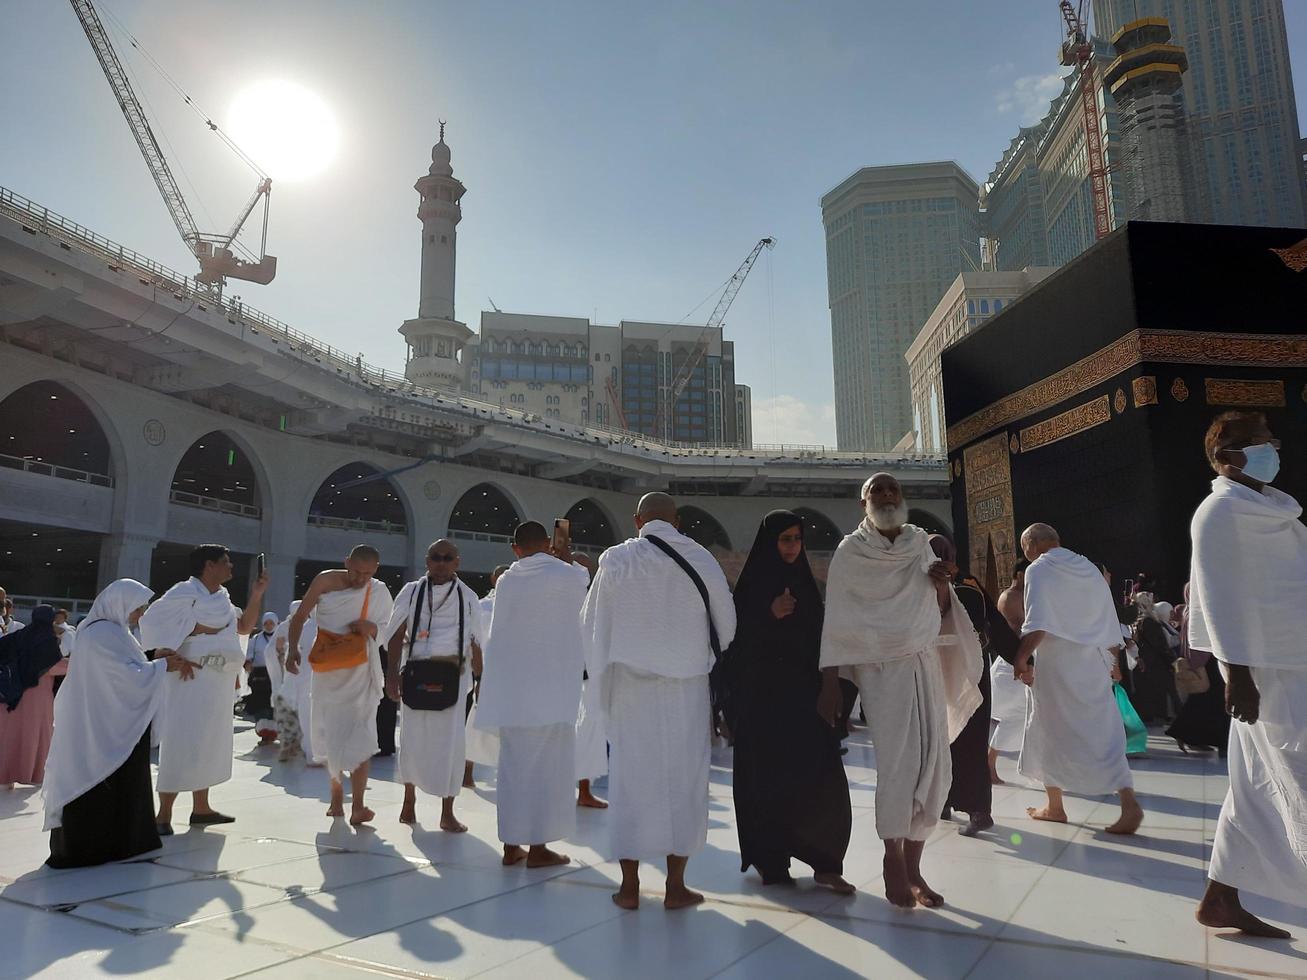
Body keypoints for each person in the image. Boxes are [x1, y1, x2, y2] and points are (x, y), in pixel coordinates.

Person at [817, 473, 981, 909]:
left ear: (902, 499)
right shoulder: (851, 552)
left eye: (893, 491)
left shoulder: (918, 544)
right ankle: (892, 859)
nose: (887, 497)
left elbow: (941, 607)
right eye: (877, 492)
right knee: (897, 767)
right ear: (863, 502)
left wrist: (942, 581)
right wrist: (831, 683)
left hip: (923, 661)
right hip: (881, 669)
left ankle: (915, 865)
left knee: (935, 765)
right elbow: (838, 618)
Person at [580, 492, 737, 910]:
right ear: (677, 521)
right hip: (686, 688)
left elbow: (592, 627)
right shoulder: (701, 558)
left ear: (637, 521)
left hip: (631, 688)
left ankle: (629, 887)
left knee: (632, 783)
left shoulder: (615, 559)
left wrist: (599, 681)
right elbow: (728, 624)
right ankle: (675, 887)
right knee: (683, 784)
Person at [1189, 411, 1305, 939]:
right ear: (1227, 457)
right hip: (1265, 674)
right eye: (1259, 443)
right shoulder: (1217, 513)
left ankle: (1221, 898)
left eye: (1270, 440)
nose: (1270, 449)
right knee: (1296, 780)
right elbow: (1218, 598)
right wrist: (1237, 674)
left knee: (1253, 788)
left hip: (1295, 660)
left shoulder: (1275, 513)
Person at [727, 511, 853, 892]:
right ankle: (772, 860)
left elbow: (824, 641)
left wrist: (830, 689)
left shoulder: (808, 586)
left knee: (821, 778)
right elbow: (734, 648)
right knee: (767, 781)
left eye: (797, 539)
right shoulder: (750, 590)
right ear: (770, 542)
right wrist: (769, 615)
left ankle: (826, 862)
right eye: (785, 539)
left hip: (803, 700)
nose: (793, 546)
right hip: (762, 703)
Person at [44, 580, 198, 867]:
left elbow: (128, 664)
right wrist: (162, 666)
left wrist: (153, 657)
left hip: (116, 723)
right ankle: (99, 847)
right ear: (120, 604)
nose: (140, 615)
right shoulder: (103, 632)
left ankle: (124, 842)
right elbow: (124, 676)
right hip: (105, 725)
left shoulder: (113, 631)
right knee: (99, 782)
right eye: (138, 608)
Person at [1013, 524, 1143, 834]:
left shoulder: (1039, 569)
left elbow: (1039, 622)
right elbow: (1109, 618)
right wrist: (1114, 661)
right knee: (1104, 729)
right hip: (1094, 662)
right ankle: (1125, 802)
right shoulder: (1087, 566)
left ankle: (1056, 806)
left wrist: (1020, 657)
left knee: (1047, 727)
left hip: (1058, 664)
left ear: (1031, 545)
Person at [475, 521, 590, 867]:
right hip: (553, 694)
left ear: (515, 549)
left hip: (513, 696)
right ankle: (538, 849)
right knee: (549, 772)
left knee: (512, 771)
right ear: (549, 544)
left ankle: (512, 846)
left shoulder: (508, 580)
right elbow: (583, 582)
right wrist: (567, 558)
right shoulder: (568, 574)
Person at [140, 544, 269, 834]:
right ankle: (164, 814)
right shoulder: (183, 592)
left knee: (210, 739)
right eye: (226, 562)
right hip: (188, 676)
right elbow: (153, 622)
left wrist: (257, 593)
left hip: (218, 678)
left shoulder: (222, 598)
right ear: (209, 565)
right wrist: (188, 636)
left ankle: (201, 808)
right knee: (181, 738)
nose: (231, 567)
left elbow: (245, 627)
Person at [287, 545, 394, 825]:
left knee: (362, 733)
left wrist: (370, 628)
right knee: (331, 734)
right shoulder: (324, 580)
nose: (361, 579)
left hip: (360, 670)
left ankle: (358, 805)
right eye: (357, 571)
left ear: (376, 570)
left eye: (368, 574)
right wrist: (292, 650)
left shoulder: (379, 591)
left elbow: (388, 628)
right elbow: (300, 616)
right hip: (328, 668)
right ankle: (336, 797)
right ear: (346, 562)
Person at [383, 540, 483, 831]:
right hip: (415, 670)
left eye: (447, 558)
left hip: (453, 674)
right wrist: (391, 676)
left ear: (457, 562)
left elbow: (476, 641)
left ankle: (447, 812)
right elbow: (394, 634)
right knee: (412, 739)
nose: (441, 562)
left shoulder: (467, 595)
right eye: (436, 557)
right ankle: (408, 802)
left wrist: (480, 680)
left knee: (450, 744)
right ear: (427, 560)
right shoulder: (412, 591)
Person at [931, 536, 1019, 837]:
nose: (941, 559)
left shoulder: (966, 586)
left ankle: (979, 810)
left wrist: (1021, 658)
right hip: (940, 673)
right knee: (942, 740)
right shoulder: (923, 587)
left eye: (946, 554)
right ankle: (945, 800)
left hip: (966, 673)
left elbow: (993, 623)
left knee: (968, 738)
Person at [0, 605, 64, 786]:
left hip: (11, 694)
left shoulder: (19, 635)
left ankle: (5, 775)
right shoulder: (47, 640)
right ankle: (31, 774)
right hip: (37, 696)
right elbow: (51, 665)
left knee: (8, 736)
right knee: (35, 734)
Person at [1166, 584, 1229, 755]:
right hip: (1206, 661)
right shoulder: (1198, 612)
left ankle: (1190, 735)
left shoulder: (1189, 611)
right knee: (1215, 700)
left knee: (1204, 701)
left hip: (1202, 661)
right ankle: (1186, 733)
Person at [464, 564, 509, 786]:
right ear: (493, 579)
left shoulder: (517, 605)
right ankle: (466, 772)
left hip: (510, 673)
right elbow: (475, 642)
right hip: (487, 672)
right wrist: (478, 674)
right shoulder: (483, 606)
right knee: (476, 721)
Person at [989, 560, 1030, 782]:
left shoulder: (1029, 595)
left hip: (1024, 661)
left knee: (1019, 716)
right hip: (1012, 663)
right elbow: (1014, 631)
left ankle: (990, 763)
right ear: (1021, 574)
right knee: (1015, 714)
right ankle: (987, 764)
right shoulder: (1011, 597)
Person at [273, 600, 317, 763]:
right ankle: (310, 753)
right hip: (304, 680)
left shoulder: (311, 628)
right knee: (305, 717)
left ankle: (312, 752)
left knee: (310, 718)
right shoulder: (302, 629)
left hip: (309, 681)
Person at [1131, 592, 1180, 724]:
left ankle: (1153, 715)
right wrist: (1171, 659)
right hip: (1155, 662)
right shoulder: (1149, 622)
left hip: (1146, 662)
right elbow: (1159, 644)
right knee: (1164, 689)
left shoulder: (1138, 622)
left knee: (1149, 690)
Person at [243, 611, 279, 737]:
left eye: (271, 623)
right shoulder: (256, 639)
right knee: (260, 703)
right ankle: (263, 731)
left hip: (276, 675)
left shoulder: (280, 637)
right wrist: (248, 664)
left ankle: (274, 731)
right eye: (266, 623)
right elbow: (249, 655)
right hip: (259, 677)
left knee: (273, 703)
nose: (269, 626)